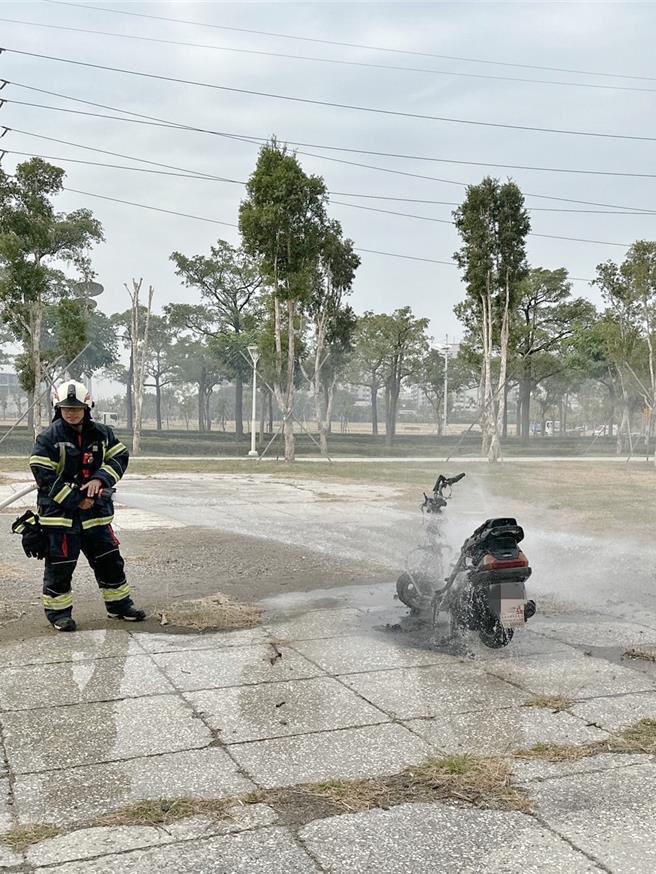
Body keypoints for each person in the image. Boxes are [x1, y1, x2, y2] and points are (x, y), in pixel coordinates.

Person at [29, 381, 145, 631]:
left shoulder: (103, 434)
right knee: (60, 568)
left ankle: (119, 606)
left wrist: (100, 478)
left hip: (96, 518)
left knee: (110, 562)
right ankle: (59, 615)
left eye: (77, 408)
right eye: (66, 408)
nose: (71, 412)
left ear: (87, 407)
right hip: (60, 519)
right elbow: (43, 475)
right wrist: (76, 499)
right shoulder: (48, 438)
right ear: (57, 408)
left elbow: (119, 457)